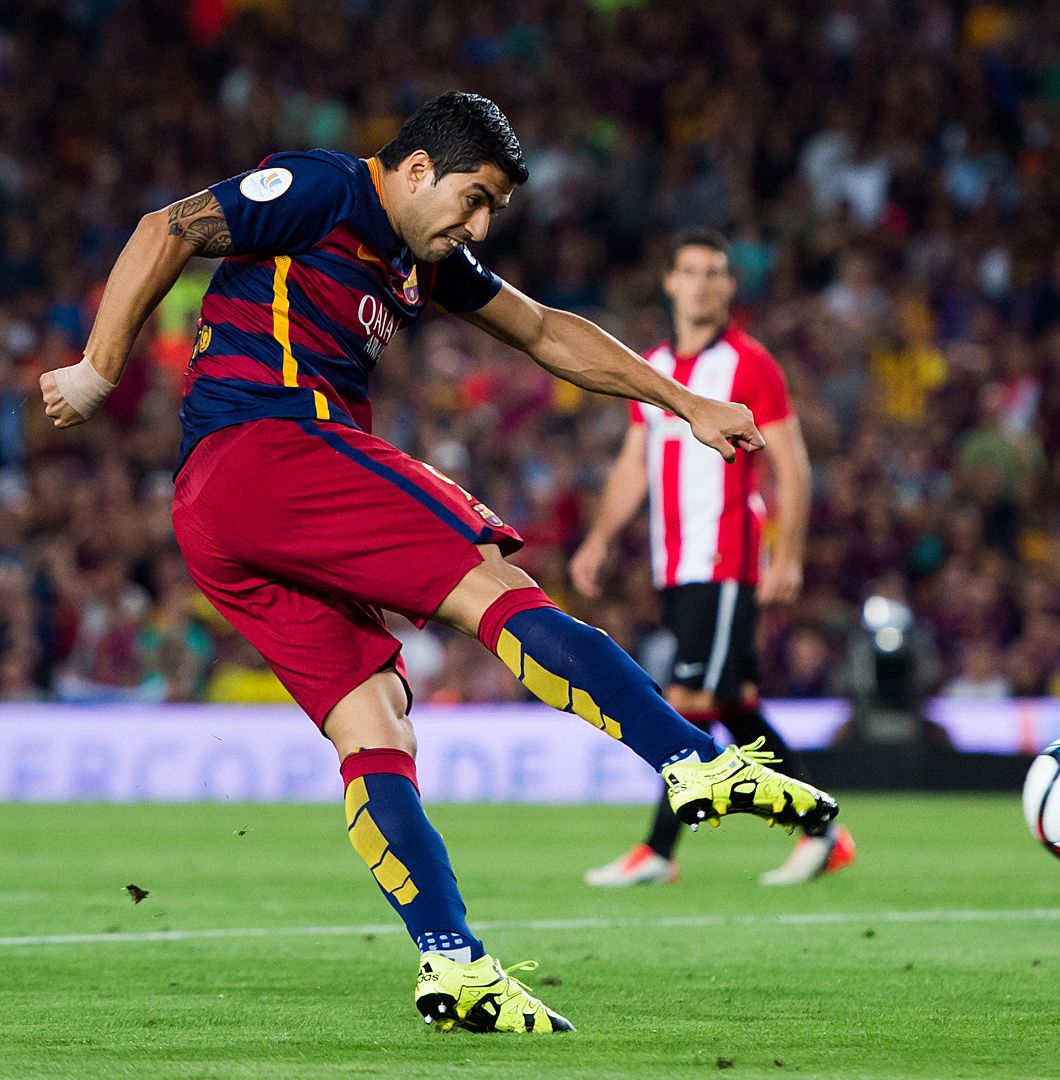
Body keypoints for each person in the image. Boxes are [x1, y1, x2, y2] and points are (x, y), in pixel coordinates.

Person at [39, 92, 839, 1034]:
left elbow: (544, 331)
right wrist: (99, 369)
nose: (481, 224)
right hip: (272, 447)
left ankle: (453, 964)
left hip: (222, 514)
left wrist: (681, 401)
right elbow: (165, 227)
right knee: (494, 587)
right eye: (475, 197)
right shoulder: (327, 186)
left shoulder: (426, 259)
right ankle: (689, 761)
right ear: (417, 170)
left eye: (493, 208)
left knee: (376, 726)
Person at [571, 228, 854, 888]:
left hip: (725, 557)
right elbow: (633, 468)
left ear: (729, 287)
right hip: (675, 563)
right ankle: (825, 830)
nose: (701, 283)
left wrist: (788, 554)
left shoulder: (751, 365)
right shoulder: (652, 366)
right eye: (690, 271)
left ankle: (659, 850)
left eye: (715, 273)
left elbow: (791, 463)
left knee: (687, 698)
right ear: (669, 282)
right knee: (734, 704)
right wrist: (599, 538)